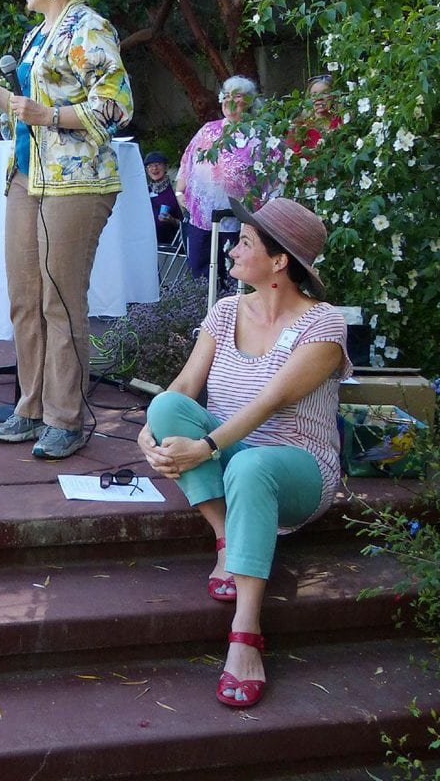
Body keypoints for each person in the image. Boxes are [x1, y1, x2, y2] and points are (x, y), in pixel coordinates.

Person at [137, 196, 351, 708]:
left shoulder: (324, 325)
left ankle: (246, 631)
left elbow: (272, 399)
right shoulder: (226, 310)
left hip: (297, 470)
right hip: (232, 460)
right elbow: (186, 384)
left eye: (246, 242)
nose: (232, 250)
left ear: (280, 261)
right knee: (167, 406)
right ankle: (226, 540)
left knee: (254, 464)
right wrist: (149, 431)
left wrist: (205, 447)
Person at [0, 0, 133, 460]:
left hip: (75, 184)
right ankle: (32, 407)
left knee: (60, 301)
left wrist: (52, 116)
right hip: (27, 178)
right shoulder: (39, 35)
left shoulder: (88, 28)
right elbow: (32, 105)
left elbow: (118, 104)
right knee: (25, 299)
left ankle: (66, 417)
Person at [175, 75, 260, 285]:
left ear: (249, 101)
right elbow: (187, 160)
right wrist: (179, 192)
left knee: (234, 277)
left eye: (237, 96)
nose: (229, 101)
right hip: (200, 216)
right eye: (226, 95)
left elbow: (269, 178)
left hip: (237, 219)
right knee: (202, 276)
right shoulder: (208, 130)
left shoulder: (258, 134)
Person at [288, 73, 343, 155]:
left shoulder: (342, 121)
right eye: (314, 95)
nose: (319, 98)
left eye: (324, 93)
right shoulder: (299, 126)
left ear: (334, 96)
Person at [144, 151, 183, 245]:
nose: (154, 168)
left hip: (172, 245)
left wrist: (172, 220)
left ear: (165, 167)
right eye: (150, 166)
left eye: (157, 164)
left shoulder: (176, 189)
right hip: (149, 243)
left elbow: (187, 222)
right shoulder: (144, 191)